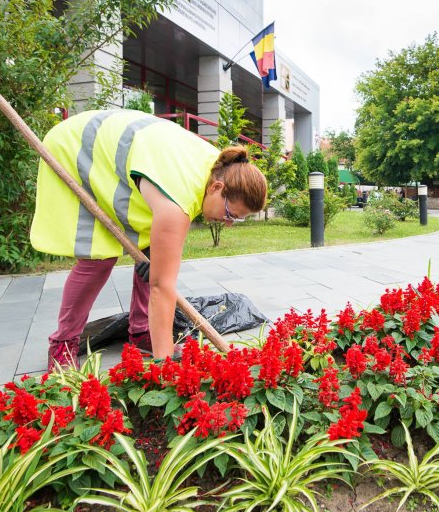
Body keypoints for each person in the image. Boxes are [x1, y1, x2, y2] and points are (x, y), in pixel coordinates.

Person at [31, 109, 267, 370]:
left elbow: (161, 268)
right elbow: (161, 287)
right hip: (80, 147)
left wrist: (157, 268)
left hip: (126, 158)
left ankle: (142, 332)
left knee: (154, 257)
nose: (230, 223)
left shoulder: (223, 168)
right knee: (99, 260)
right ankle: (63, 344)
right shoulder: (177, 199)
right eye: (230, 214)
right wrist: (163, 364)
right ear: (217, 188)